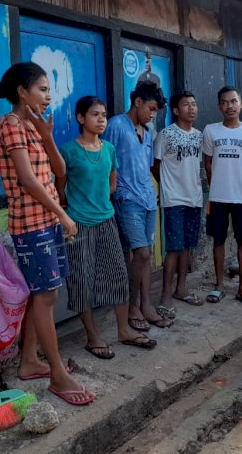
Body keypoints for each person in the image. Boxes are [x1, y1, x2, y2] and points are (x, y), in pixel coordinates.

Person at [0, 62, 95, 406]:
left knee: (44, 294)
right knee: (46, 296)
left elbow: (60, 172)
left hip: (46, 220)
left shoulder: (34, 126)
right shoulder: (10, 126)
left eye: (49, 90)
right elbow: (27, 180)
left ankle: (29, 362)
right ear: (22, 92)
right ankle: (57, 374)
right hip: (32, 223)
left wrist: (49, 136)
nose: (48, 95)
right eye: (42, 89)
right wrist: (63, 214)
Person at [58, 96, 157, 358]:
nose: (101, 120)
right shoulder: (68, 151)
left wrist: (99, 202)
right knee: (81, 280)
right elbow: (60, 189)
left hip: (106, 219)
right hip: (77, 224)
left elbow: (112, 184)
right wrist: (74, 208)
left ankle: (123, 330)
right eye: (94, 115)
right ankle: (93, 337)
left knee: (118, 275)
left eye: (103, 115)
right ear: (81, 118)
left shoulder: (109, 149)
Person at [102, 80, 172, 331]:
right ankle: (132, 306)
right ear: (138, 102)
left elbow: (146, 166)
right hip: (125, 197)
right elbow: (106, 162)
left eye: (156, 111)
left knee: (147, 255)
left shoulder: (149, 130)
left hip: (146, 198)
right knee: (139, 253)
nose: (152, 114)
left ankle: (146, 305)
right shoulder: (116, 125)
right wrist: (110, 195)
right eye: (151, 108)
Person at [203, 86, 242, 308]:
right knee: (218, 241)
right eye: (225, 102)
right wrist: (217, 183)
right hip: (218, 197)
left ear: (241, 103)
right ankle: (219, 286)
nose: (230, 106)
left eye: (234, 101)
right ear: (220, 106)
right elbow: (208, 163)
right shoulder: (211, 130)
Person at [152, 90, 205, 320]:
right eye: (186, 105)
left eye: (194, 104)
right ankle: (165, 295)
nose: (191, 108)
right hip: (173, 199)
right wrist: (167, 187)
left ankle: (181, 288)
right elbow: (155, 165)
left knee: (186, 246)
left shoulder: (199, 136)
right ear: (175, 110)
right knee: (173, 247)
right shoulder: (166, 135)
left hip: (195, 197)